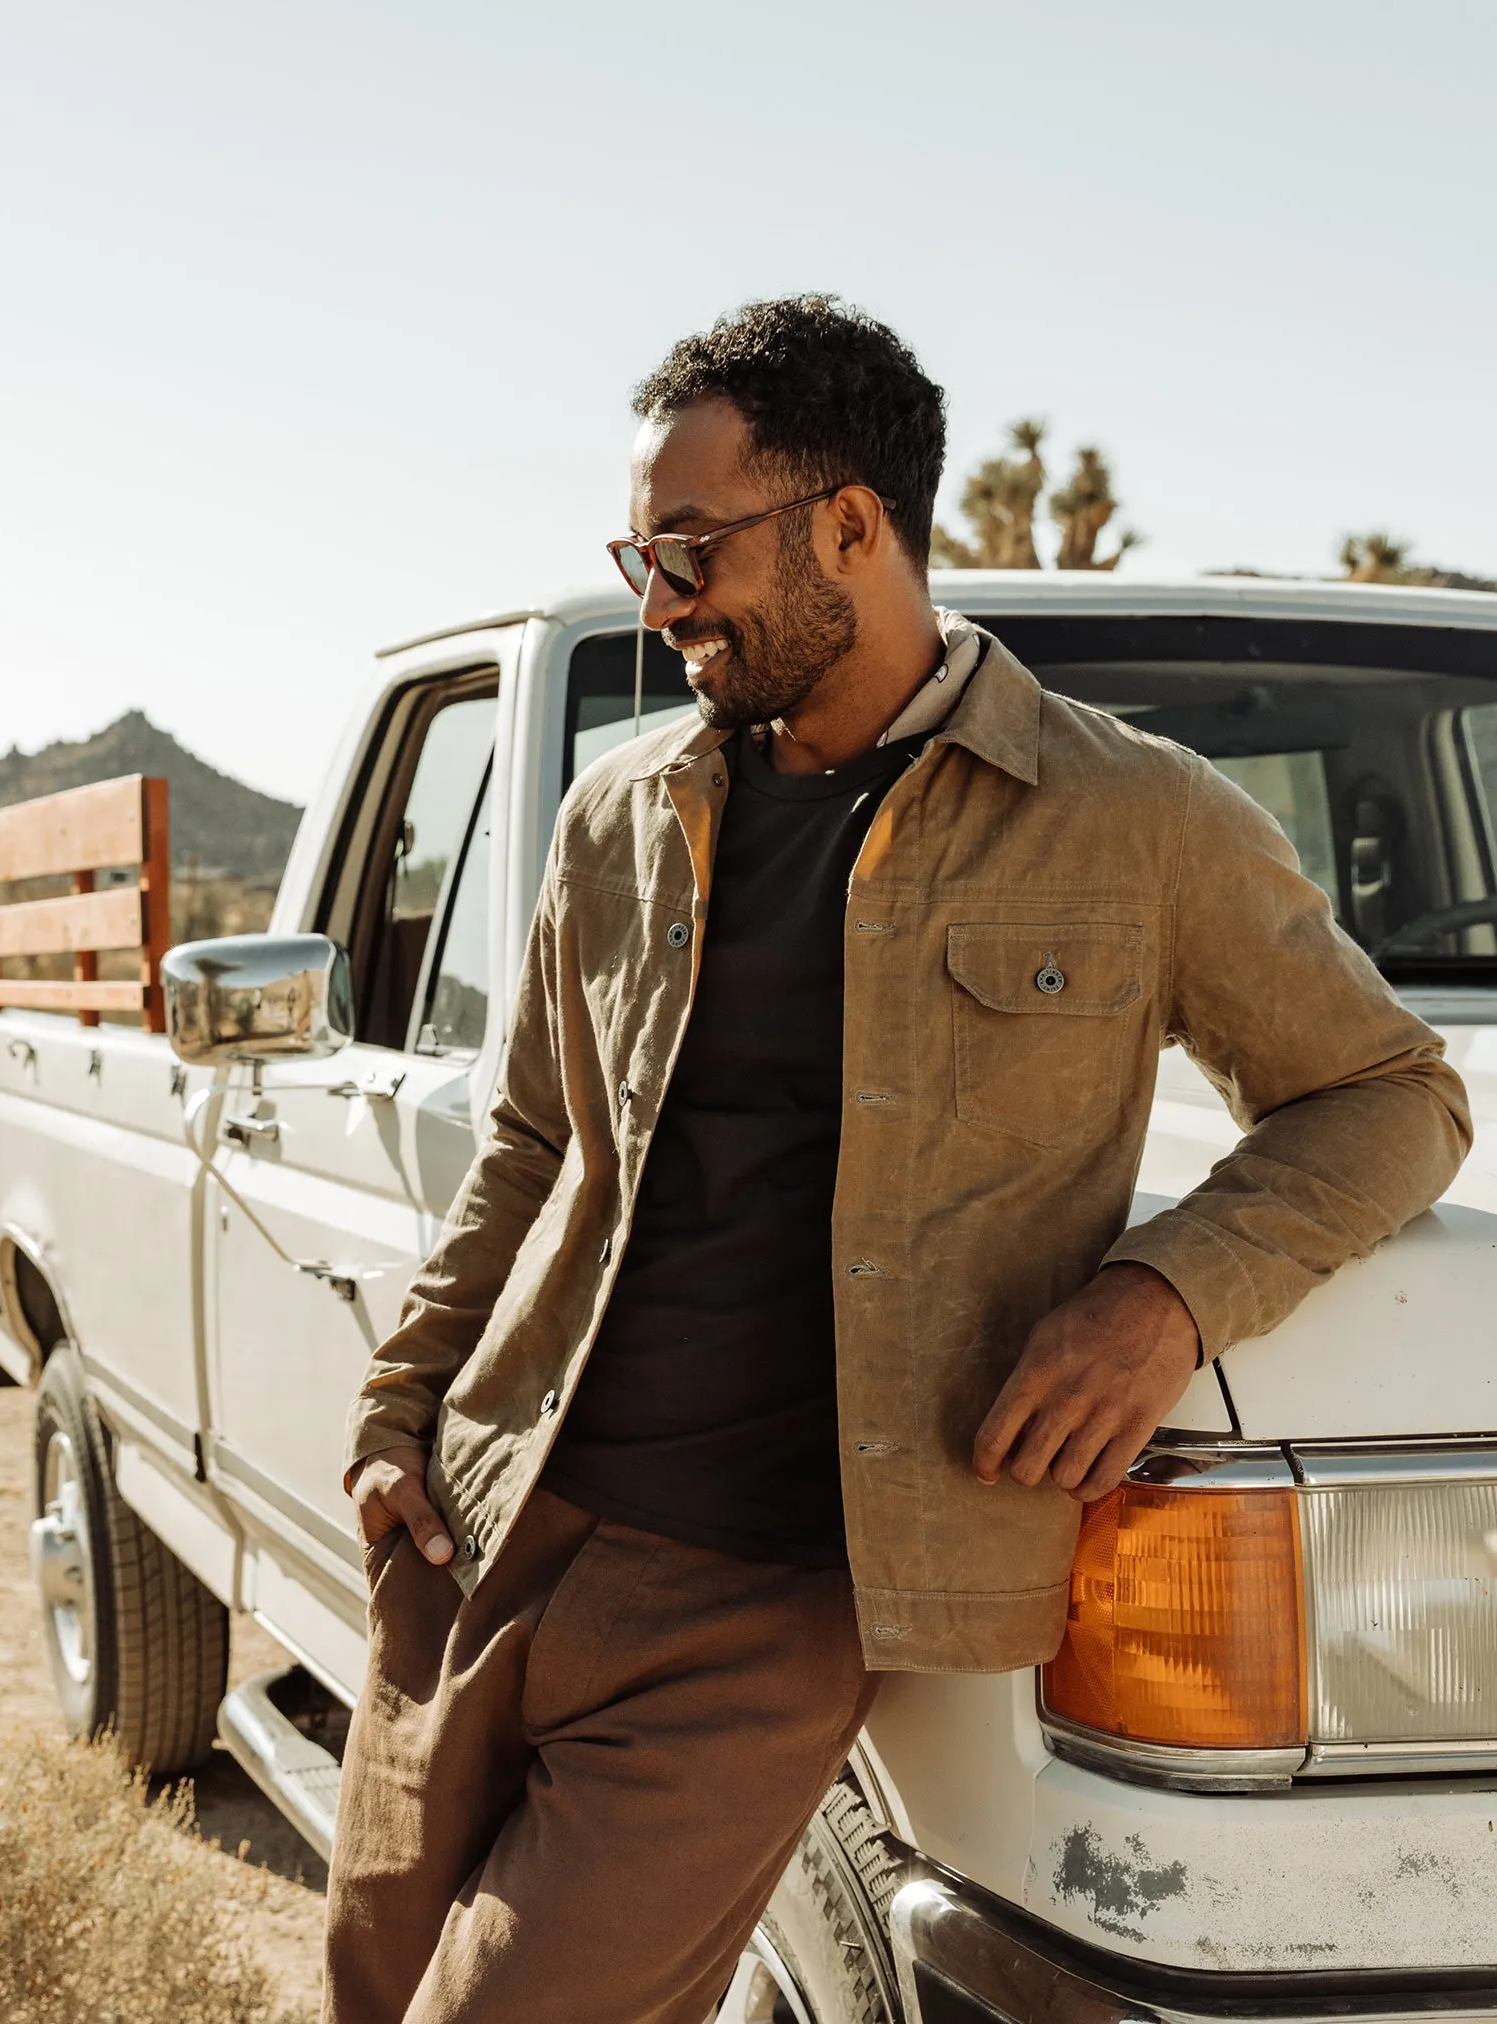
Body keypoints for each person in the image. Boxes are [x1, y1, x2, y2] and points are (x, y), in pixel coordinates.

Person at [321, 295, 1470, 2024]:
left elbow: (1391, 1090)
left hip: (762, 1607)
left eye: (692, 547)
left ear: (850, 523)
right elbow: (537, 1143)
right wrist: (399, 1405)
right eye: (641, 551)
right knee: (367, 1993)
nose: (659, 601)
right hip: (487, 1529)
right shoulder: (621, 816)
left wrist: (1167, 1297)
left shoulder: (1125, 818)